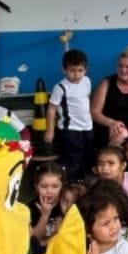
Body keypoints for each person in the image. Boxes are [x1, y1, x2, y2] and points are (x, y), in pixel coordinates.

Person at [46, 48, 93, 181]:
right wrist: (50, 131)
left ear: (86, 69)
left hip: (87, 128)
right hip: (70, 130)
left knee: (85, 157)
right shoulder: (60, 87)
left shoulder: (87, 81)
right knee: (72, 160)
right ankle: (69, 185)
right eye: (72, 70)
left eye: (80, 71)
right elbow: (51, 109)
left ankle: (81, 183)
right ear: (64, 69)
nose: (76, 74)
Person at [26, 162, 67, 254]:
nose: (49, 191)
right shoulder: (29, 208)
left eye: (55, 186)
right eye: (44, 186)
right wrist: (45, 215)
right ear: (36, 186)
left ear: (62, 186)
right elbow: (34, 241)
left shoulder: (67, 204)